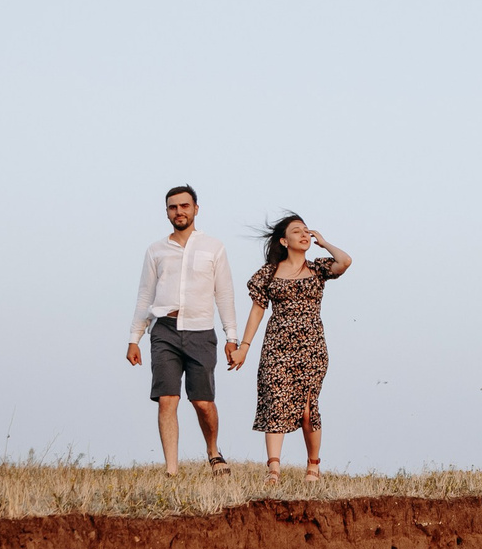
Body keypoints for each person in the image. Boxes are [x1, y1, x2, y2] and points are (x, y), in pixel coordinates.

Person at [230, 212, 353, 482]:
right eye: (297, 231)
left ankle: (313, 466)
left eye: (307, 230)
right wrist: (244, 348)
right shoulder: (269, 273)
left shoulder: (318, 268)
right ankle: (273, 469)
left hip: (312, 348)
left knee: (308, 408)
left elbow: (345, 261)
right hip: (276, 346)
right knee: (276, 403)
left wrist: (324, 242)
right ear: (284, 241)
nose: (304, 234)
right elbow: (257, 311)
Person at [126, 184, 239, 475]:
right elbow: (144, 295)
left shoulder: (214, 247)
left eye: (184, 206)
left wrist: (231, 337)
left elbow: (224, 293)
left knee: (202, 402)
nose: (179, 211)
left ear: (196, 209)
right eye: (173, 207)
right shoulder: (156, 250)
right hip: (164, 329)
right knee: (167, 399)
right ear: (167, 212)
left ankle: (213, 452)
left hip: (201, 331)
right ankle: (172, 471)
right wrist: (134, 338)